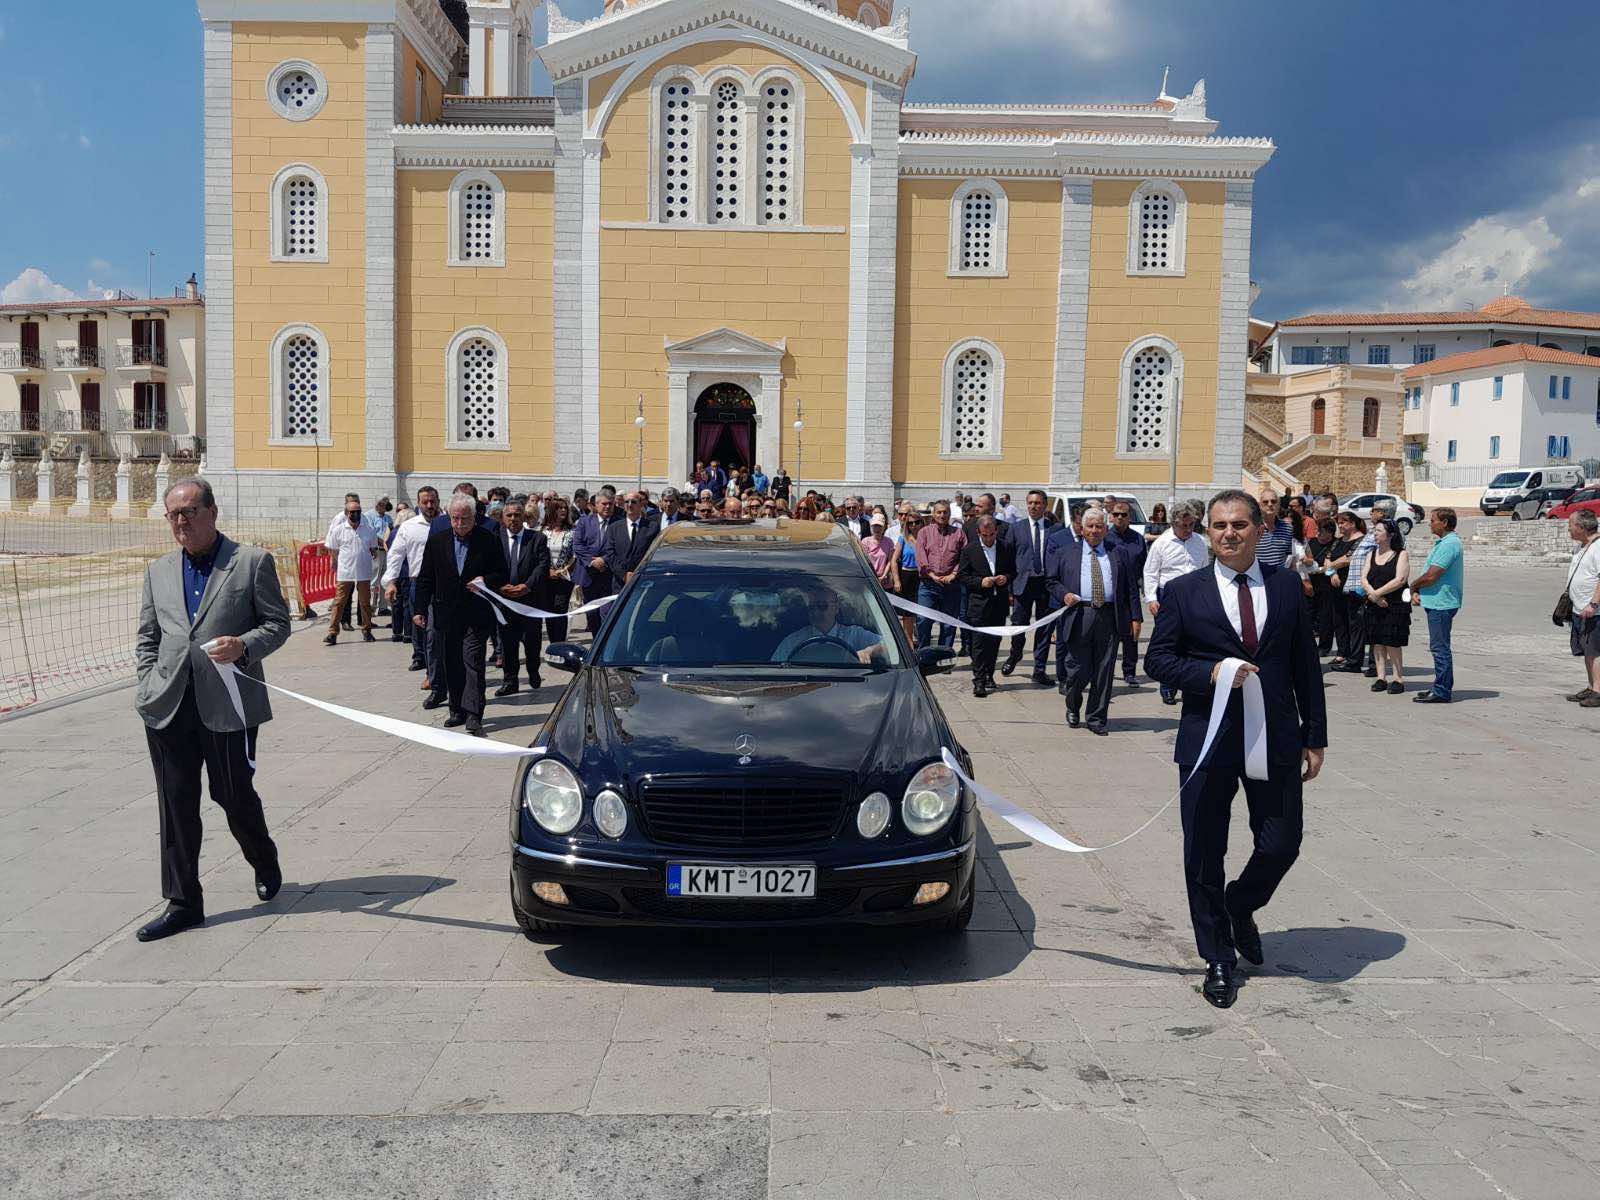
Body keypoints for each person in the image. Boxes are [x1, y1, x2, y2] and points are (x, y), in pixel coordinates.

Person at [1145, 490, 1327, 1009]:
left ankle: (1238, 904)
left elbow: (1305, 664)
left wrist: (1315, 735)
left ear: (1259, 530)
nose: (1229, 534)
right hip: (1208, 740)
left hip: (1275, 737)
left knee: (1281, 843)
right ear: (1209, 532)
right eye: (1220, 525)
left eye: (1240, 525)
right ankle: (1218, 956)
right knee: (1204, 851)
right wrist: (1210, 672)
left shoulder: (1286, 586)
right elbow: (1159, 660)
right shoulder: (1185, 591)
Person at [133, 479, 290, 941]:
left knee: (232, 793)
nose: (181, 521)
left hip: (228, 704)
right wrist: (147, 684)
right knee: (176, 803)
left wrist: (243, 645)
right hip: (168, 706)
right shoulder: (158, 571)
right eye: (173, 514)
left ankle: (263, 857)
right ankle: (183, 902)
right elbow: (148, 637)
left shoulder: (251, 562)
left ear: (212, 512)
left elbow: (277, 624)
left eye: (190, 511)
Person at [412, 494, 507, 735]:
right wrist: (419, 610)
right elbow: (426, 577)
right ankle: (457, 710)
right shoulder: (437, 541)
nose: (459, 523)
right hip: (447, 613)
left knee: (473, 661)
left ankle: (474, 713)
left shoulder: (488, 540)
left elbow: (501, 573)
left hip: (476, 613)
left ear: (474, 518)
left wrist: (485, 580)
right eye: (455, 518)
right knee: (452, 662)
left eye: (464, 519)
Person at [1045, 508, 1139, 734]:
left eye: (1099, 526)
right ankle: (1073, 705)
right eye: (1090, 526)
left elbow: (1131, 587)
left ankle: (1096, 718)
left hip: (1109, 616)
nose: (1094, 531)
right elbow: (1051, 581)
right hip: (1079, 615)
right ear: (1082, 529)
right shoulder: (1066, 553)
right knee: (1077, 669)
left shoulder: (1118, 552)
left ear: (1105, 529)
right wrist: (1064, 594)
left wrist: (1136, 617)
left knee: (1104, 670)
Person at [1142, 498, 1210, 704]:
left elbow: (1205, 568)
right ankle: (1168, 686)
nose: (1188, 529)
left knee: (1193, 641)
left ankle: (1190, 683)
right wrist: (1151, 598)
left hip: (1195, 595)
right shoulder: (1161, 544)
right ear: (1173, 524)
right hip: (1169, 596)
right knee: (1169, 642)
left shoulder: (1200, 542)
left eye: (1191, 525)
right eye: (1184, 525)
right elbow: (1150, 572)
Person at [1001, 489, 1059, 687]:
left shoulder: (1055, 529)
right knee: (1019, 624)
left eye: (1038, 503)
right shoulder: (1016, 528)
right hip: (1022, 584)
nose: (1034, 506)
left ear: (1045, 505)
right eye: (1031, 503)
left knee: (1044, 627)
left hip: (1045, 584)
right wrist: (1009, 587)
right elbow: (1008, 558)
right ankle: (1015, 655)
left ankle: (1039, 669)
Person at [495, 495, 551, 697]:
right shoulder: (495, 539)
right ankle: (510, 681)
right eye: (509, 515)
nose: (513, 519)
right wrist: (500, 586)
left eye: (517, 515)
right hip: (505, 602)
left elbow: (542, 566)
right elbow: (490, 566)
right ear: (503, 518)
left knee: (532, 642)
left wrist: (527, 586)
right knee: (507, 643)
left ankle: (533, 671)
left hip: (530, 601)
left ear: (524, 517)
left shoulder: (537, 539)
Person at [384, 487, 441, 677]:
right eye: (425, 502)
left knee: (437, 630)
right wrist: (391, 582)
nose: (430, 505)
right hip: (418, 583)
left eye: (433, 501)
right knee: (420, 625)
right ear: (418, 504)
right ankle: (422, 660)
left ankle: (434, 673)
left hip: (443, 584)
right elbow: (395, 555)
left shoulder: (448, 523)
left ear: (438, 501)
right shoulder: (409, 527)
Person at [1410, 507, 1464, 704]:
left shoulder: (1450, 544)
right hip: (1436, 601)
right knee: (1438, 646)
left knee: (1440, 648)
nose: (1430, 524)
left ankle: (1442, 690)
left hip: (1442, 603)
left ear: (1445, 523)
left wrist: (1414, 585)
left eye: (1433, 520)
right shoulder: (1444, 542)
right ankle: (1439, 686)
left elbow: (1432, 575)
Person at [958, 516, 1016, 697]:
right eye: (985, 535)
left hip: (999, 604)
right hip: (979, 604)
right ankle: (979, 680)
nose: (989, 538)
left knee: (994, 642)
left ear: (996, 531)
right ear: (978, 533)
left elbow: (1014, 571)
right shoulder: (970, 550)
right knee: (979, 644)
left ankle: (989, 675)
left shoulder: (1006, 547)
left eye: (992, 535)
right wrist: (980, 582)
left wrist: (1006, 578)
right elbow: (962, 576)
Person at [770, 582, 885, 663]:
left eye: (822, 606)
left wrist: (869, 651)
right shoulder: (793, 641)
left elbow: (889, 646)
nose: (815, 611)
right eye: (811, 607)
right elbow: (774, 668)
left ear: (836, 608)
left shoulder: (854, 634)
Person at [1360, 518, 1410, 694]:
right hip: (1374, 604)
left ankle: (1398, 678)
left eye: (1379, 531)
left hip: (1394, 605)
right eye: (1375, 530)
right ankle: (1381, 677)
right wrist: (1373, 596)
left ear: (1390, 535)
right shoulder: (1371, 554)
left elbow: (1400, 579)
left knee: (1392, 642)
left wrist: (1377, 593)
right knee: (1377, 641)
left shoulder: (1401, 554)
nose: (1375, 533)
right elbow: (1364, 578)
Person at [323, 493, 379, 645]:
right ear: (347, 513)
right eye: (352, 512)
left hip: (363, 572)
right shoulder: (339, 530)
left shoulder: (368, 529)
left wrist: (370, 555)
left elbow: (373, 549)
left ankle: (367, 630)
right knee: (339, 602)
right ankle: (332, 632)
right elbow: (333, 550)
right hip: (345, 572)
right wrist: (336, 564)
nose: (356, 514)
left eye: (358, 511)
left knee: (365, 603)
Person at [1105, 499, 1147, 687]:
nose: (1120, 518)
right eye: (1116, 514)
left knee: (1132, 634)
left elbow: (1145, 566)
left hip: (1131, 592)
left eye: (1124, 514)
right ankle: (1106, 670)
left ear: (1130, 517)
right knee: (1110, 634)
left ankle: (1129, 672)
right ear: (1110, 517)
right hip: (1111, 592)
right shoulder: (1105, 538)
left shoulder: (1137, 539)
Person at [914, 499, 966, 650]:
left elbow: (964, 557)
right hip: (928, 585)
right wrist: (931, 574)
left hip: (951, 585)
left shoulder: (959, 533)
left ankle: (944, 656)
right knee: (923, 620)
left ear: (949, 514)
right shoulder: (924, 532)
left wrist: (954, 574)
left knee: (948, 624)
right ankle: (924, 654)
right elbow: (920, 556)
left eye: (945, 512)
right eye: (939, 512)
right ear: (933, 514)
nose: (942, 515)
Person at [1564, 511, 1600, 707]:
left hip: (1593, 610)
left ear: (1581, 527)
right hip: (1580, 609)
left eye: (1571, 524)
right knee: (1587, 650)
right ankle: (1591, 686)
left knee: (1595, 651)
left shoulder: (1598, 547)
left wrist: (1594, 603)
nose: (1569, 528)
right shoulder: (1582, 546)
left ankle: (1598, 691)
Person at [1334, 512, 1376, 674]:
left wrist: (1330, 567)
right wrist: (1331, 570)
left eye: (1343, 522)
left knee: (1369, 628)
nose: (1340, 525)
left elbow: (1349, 559)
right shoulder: (1366, 539)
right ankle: (1354, 661)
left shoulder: (1368, 539)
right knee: (1355, 627)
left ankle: (1373, 665)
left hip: (1365, 588)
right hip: (1352, 588)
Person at [571, 491, 617, 635]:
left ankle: (606, 643)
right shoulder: (585, 522)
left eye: (610, 504)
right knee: (592, 615)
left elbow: (619, 548)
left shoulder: (619, 523)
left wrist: (604, 560)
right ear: (596, 505)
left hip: (609, 576)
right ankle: (596, 642)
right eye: (604, 504)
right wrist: (592, 561)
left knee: (607, 614)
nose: (607, 507)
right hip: (588, 575)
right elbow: (578, 545)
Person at [1304, 516, 1345, 657]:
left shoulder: (1336, 544)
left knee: (1325, 616)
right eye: (1317, 530)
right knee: (1308, 615)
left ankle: (1324, 646)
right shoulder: (1311, 542)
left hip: (1327, 585)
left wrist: (1321, 569)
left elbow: (1336, 564)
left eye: (1321, 531)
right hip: (1310, 583)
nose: (1318, 533)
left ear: (1330, 532)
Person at [539, 496, 577, 645]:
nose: (563, 510)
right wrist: (548, 571)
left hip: (564, 578)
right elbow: (537, 555)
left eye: (565, 508)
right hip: (546, 577)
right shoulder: (542, 531)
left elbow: (575, 555)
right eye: (559, 508)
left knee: (560, 610)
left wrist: (563, 570)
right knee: (549, 611)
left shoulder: (572, 532)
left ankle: (560, 644)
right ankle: (553, 643)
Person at [606, 490, 660, 586]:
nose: (630, 505)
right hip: (620, 582)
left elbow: (654, 554)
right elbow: (610, 554)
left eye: (633, 502)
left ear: (641, 504)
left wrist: (638, 574)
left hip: (644, 581)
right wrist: (624, 575)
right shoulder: (614, 528)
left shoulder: (652, 527)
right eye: (627, 502)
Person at [892, 510, 922, 646]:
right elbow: (894, 560)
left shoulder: (925, 538)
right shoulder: (903, 538)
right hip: (906, 575)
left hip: (921, 575)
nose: (914, 525)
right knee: (908, 613)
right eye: (910, 523)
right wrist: (897, 580)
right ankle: (909, 643)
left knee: (921, 611)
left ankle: (920, 640)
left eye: (917, 522)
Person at [1255, 488, 1296, 569]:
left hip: (1280, 575)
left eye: (1273, 501)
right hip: (1258, 575)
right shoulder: (1253, 528)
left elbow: (1290, 558)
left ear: (1278, 505)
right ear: (1260, 506)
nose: (1270, 504)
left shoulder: (1288, 528)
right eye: (1265, 502)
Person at [861, 512, 899, 594]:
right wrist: (874, 577)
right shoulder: (865, 541)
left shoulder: (889, 541)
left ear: (884, 527)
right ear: (871, 527)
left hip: (885, 580)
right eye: (875, 526)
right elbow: (864, 561)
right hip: (870, 579)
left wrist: (884, 575)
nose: (877, 528)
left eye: (879, 526)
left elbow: (890, 560)